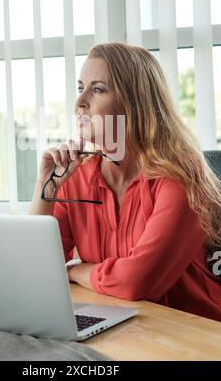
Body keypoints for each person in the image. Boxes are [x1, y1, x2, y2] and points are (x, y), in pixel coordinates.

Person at [29, 42, 221, 321]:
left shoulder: (181, 176)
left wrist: (73, 269)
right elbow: (36, 271)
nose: (79, 102)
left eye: (97, 89)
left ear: (134, 104)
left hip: (193, 331)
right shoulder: (76, 174)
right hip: (125, 322)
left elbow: (138, 282)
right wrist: (44, 187)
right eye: (80, 87)